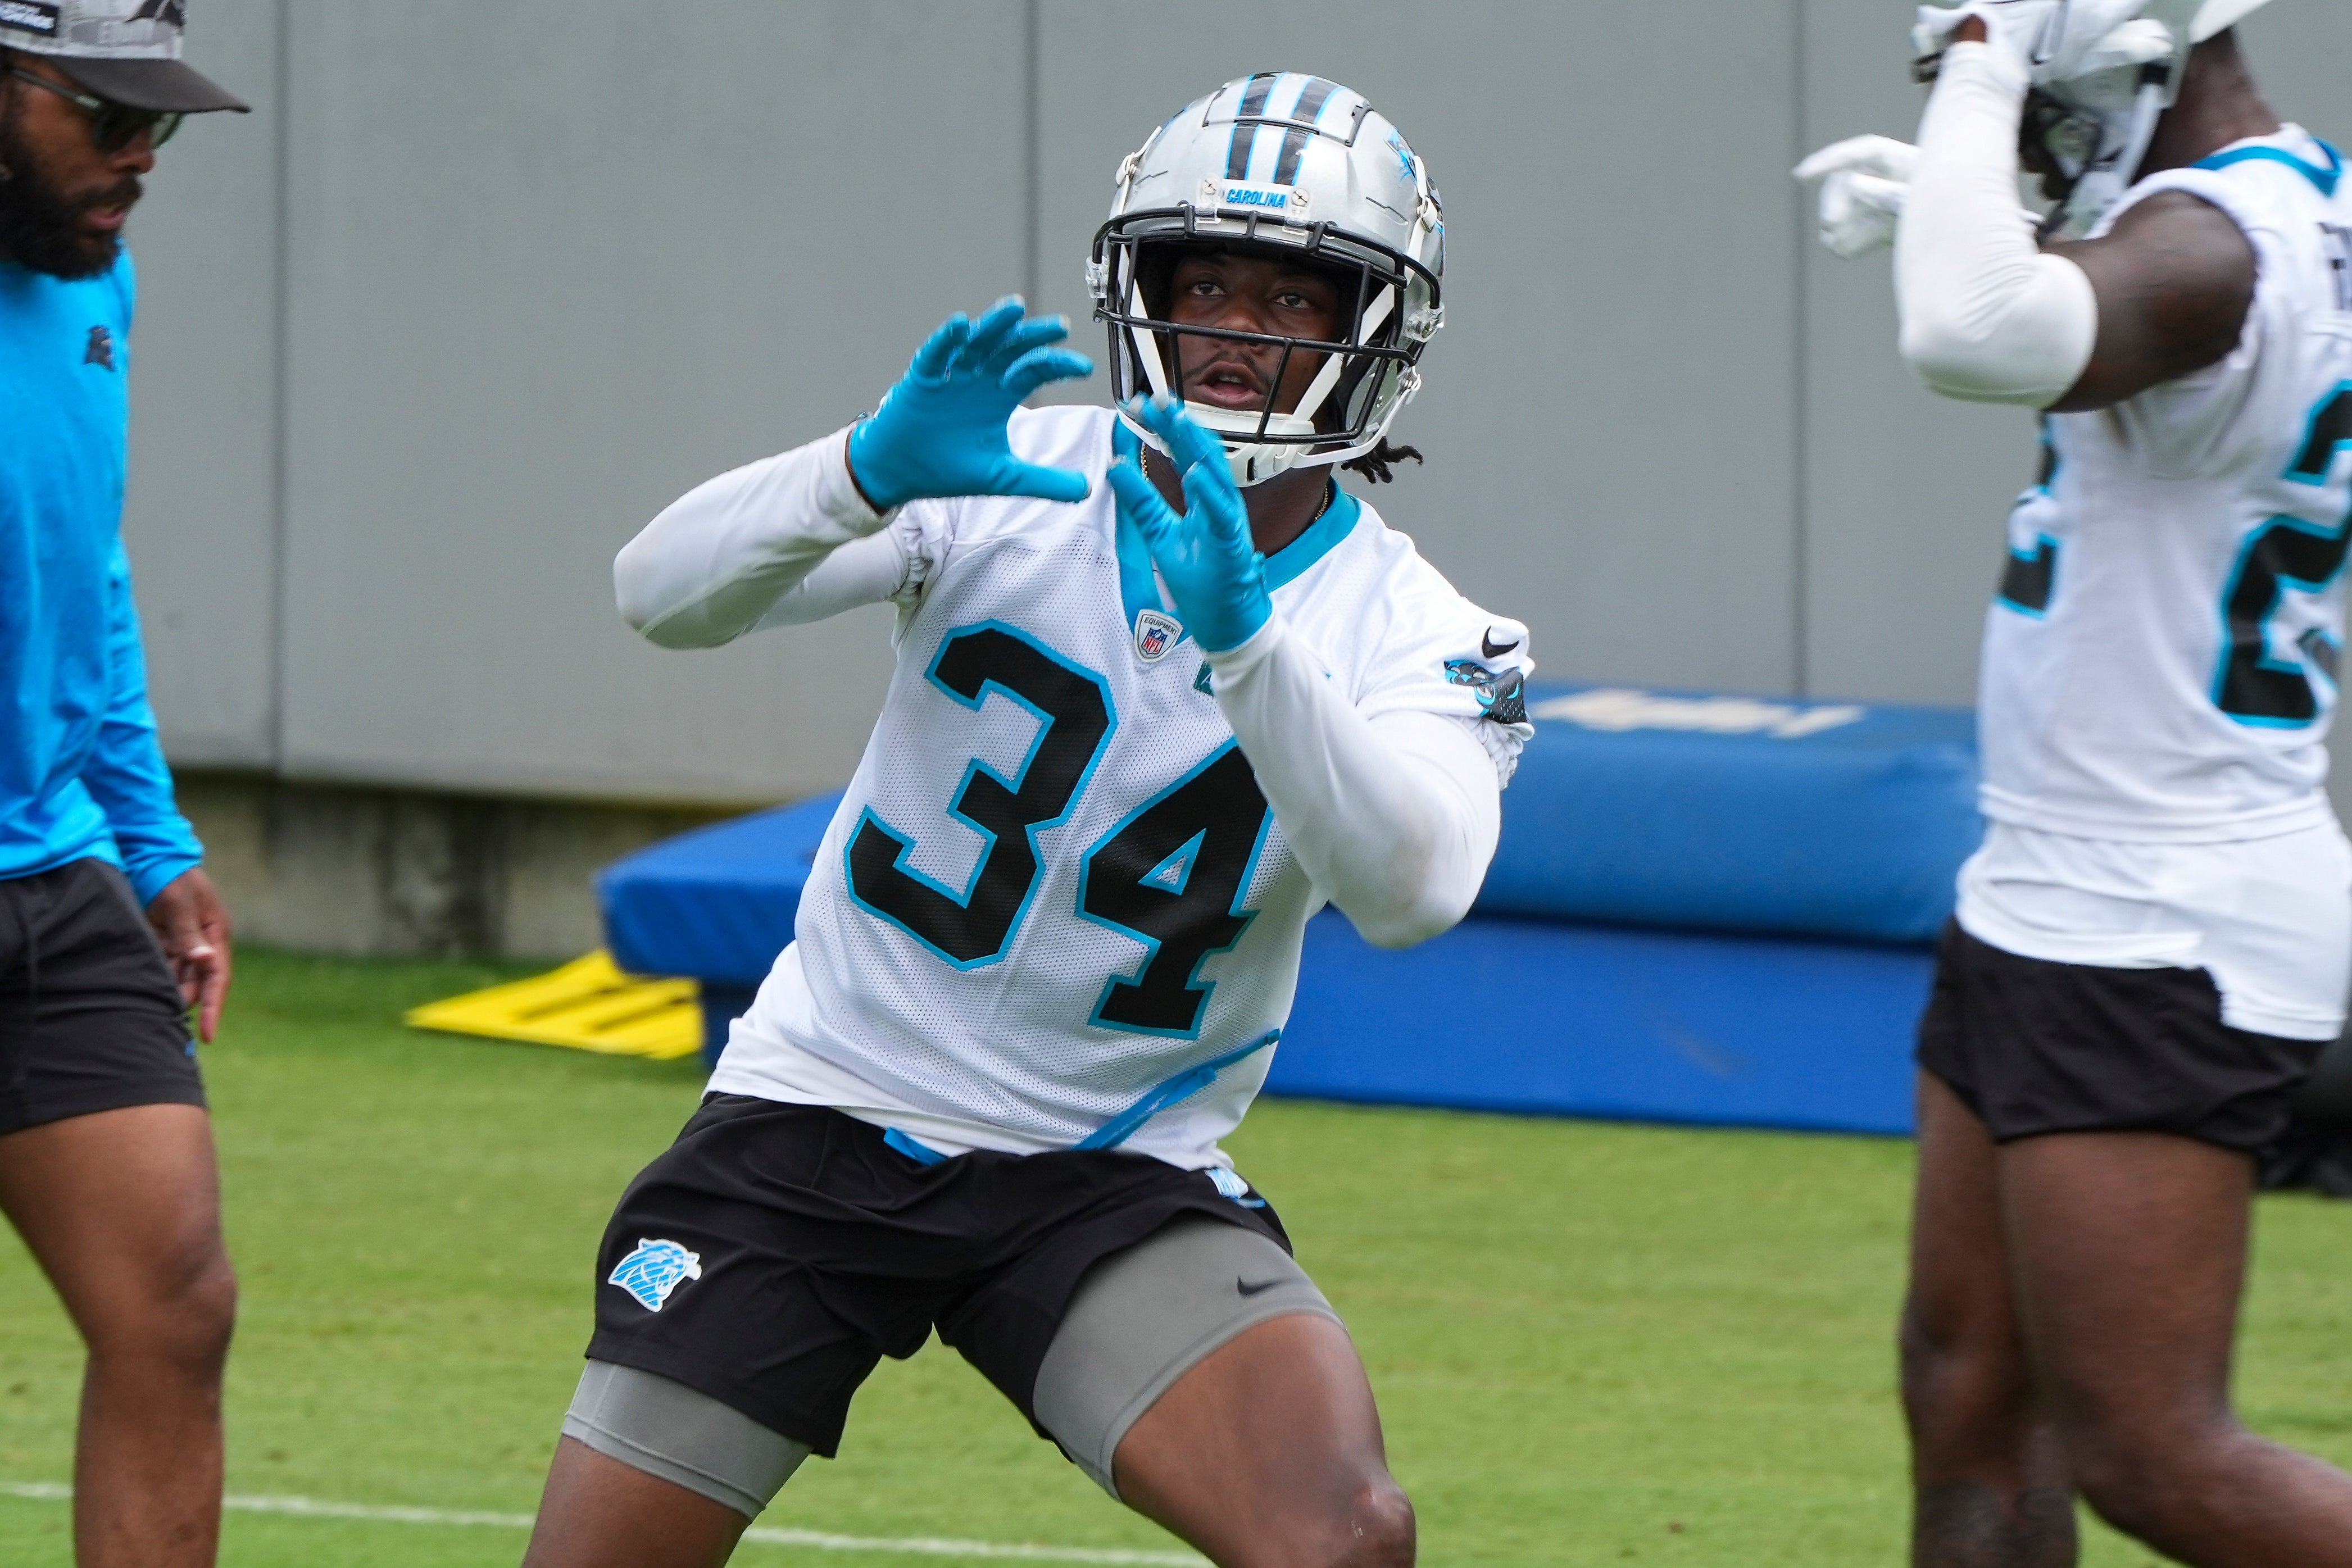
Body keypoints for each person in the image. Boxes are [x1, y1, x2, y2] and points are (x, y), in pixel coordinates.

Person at [523, 73, 1529, 1568]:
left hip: (1109, 1170)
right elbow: (656, 596)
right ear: (1141, 295)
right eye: (1205, 284)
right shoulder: (1012, 470)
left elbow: (1412, 892)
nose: (1241, 331)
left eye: (1291, 298)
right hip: (821, 1111)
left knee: (1340, 1536)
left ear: (1369, 331)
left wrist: (1253, 652)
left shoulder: (1420, 626)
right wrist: (857, 467)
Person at [1801, 2, 2352, 1563]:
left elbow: (1974, 336)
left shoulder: (2214, 248)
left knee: (2159, 1458)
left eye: (2036, 88)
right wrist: (1956, 192)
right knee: (1967, 1387)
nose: (2014, 128)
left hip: (2156, 912)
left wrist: (1981, 61)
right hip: (2062, 881)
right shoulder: (2271, 210)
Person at [0, 3, 247, 1565]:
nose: (141, 153)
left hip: (55, 874)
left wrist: (150, 841)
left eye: (158, 118)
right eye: (102, 113)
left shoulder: (100, 284)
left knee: (174, 1304)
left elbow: (85, 574)